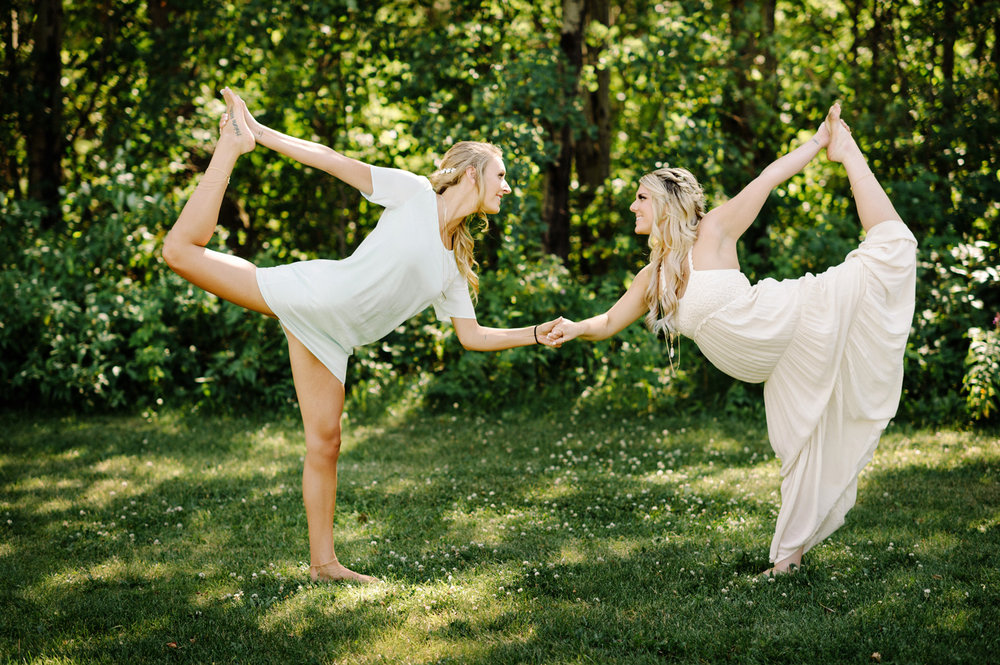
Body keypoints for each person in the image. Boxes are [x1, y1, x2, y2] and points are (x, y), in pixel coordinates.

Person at [163, 88, 562, 583]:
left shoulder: (454, 261)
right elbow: (332, 161)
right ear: (471, 173)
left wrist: (535, 335)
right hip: (313, 295)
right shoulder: (414, 193)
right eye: (501, 176)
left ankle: (324, 565)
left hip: (334, 340)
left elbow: (472, 336)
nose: (507, 188)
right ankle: (231, 145)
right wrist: (261, 134)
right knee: (180, 252)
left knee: (326, 442)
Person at [548, 103, 916, 575]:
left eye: (641, 197)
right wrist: (576, 327)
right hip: (775, 359)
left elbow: (768, 177)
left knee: (890, 250)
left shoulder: (714, 230)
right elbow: (607, 321)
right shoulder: (653, 275)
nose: (633, 206)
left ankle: (849, 153)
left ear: (665, 201)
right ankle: (788, 561)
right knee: (800, 445)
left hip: (788, 316)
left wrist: (821, 142)